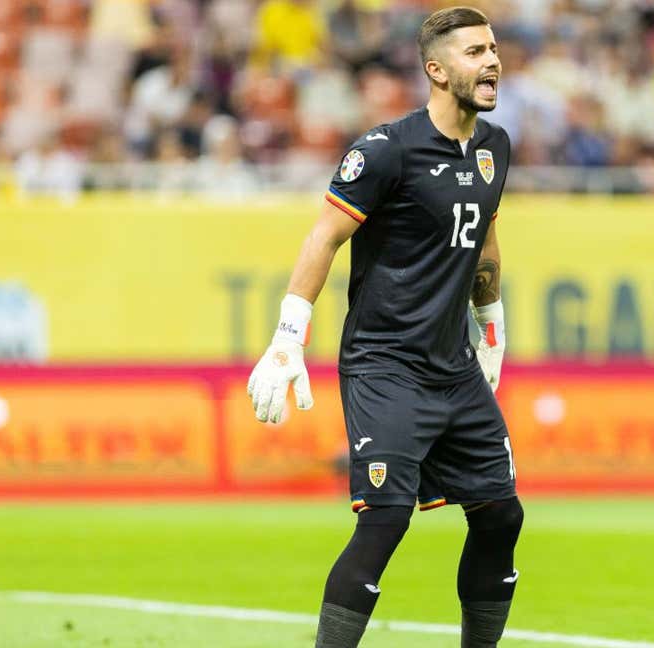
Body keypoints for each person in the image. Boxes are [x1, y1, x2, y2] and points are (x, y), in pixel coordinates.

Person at [244, 7, 520, 648]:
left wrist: (492, 324)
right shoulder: (386, 149)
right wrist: (289, 335)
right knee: (386, 520)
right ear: (436, 69)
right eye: (475, 52)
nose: (492, 62)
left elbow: (486, 241)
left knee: (501, 515)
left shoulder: (494, 148)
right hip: (385, 366)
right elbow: (325, 237)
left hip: (453, 368)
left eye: (493, 48)